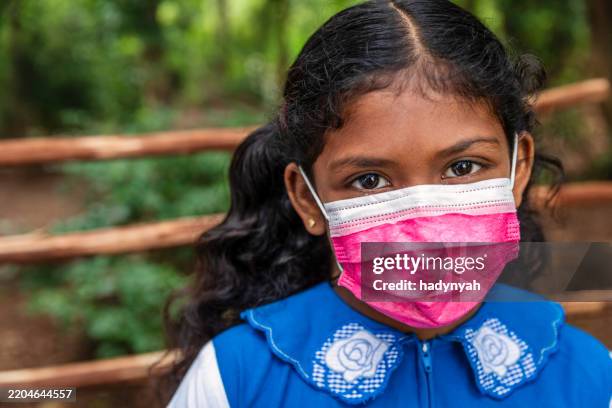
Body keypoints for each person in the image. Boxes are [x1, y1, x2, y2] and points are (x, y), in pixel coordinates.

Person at [164, 0, 612, 406]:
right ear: (307, 198)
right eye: (369, 179)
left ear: (518, 170)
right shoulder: (234, 379)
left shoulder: (588, 376)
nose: (424, 220)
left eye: (463, 167)